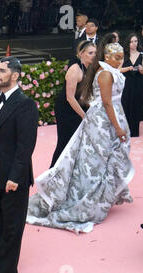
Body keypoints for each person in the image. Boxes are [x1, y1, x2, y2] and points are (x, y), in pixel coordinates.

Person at [27, 42, 135, 234]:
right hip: (85, 115)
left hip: (103, 118)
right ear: (107, 56)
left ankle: (103, 195)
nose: (120, 60)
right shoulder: (103, 74)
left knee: (98, 157)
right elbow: (105, 103)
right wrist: (96, 120)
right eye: (116, 57)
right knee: (86, 156)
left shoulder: (107, 71)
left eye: (121, 56)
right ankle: (85, 196)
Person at [0, 56, 38, 273]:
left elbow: (26, 145)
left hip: (13, 178)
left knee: (12, 225)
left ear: (15, 76)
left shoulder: (25, 104)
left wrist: (15, 177)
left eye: (2, 71)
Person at [50, 40, 97, 167]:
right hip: (66, 109)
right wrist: (84, 116)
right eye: (90, 53)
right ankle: (53, 174)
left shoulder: (90, 68)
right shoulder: (75, 69)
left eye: (95, 53)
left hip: (80, 106)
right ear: (81, 54)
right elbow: (70, 97)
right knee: (66, 142)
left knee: (81, 143)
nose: (94, 55)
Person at [121, 33, 143, 137]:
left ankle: (134, 132)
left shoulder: (142, 55)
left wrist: (141, 69)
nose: (134, 44)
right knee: (125, 105)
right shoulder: (123, 55)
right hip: (126, 84)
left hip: (138, 84)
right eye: (131, 41)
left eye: (135, 41)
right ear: (127, 43)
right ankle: (124, 131)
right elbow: (117, 70)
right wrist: (128, 68)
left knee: (137, 106)